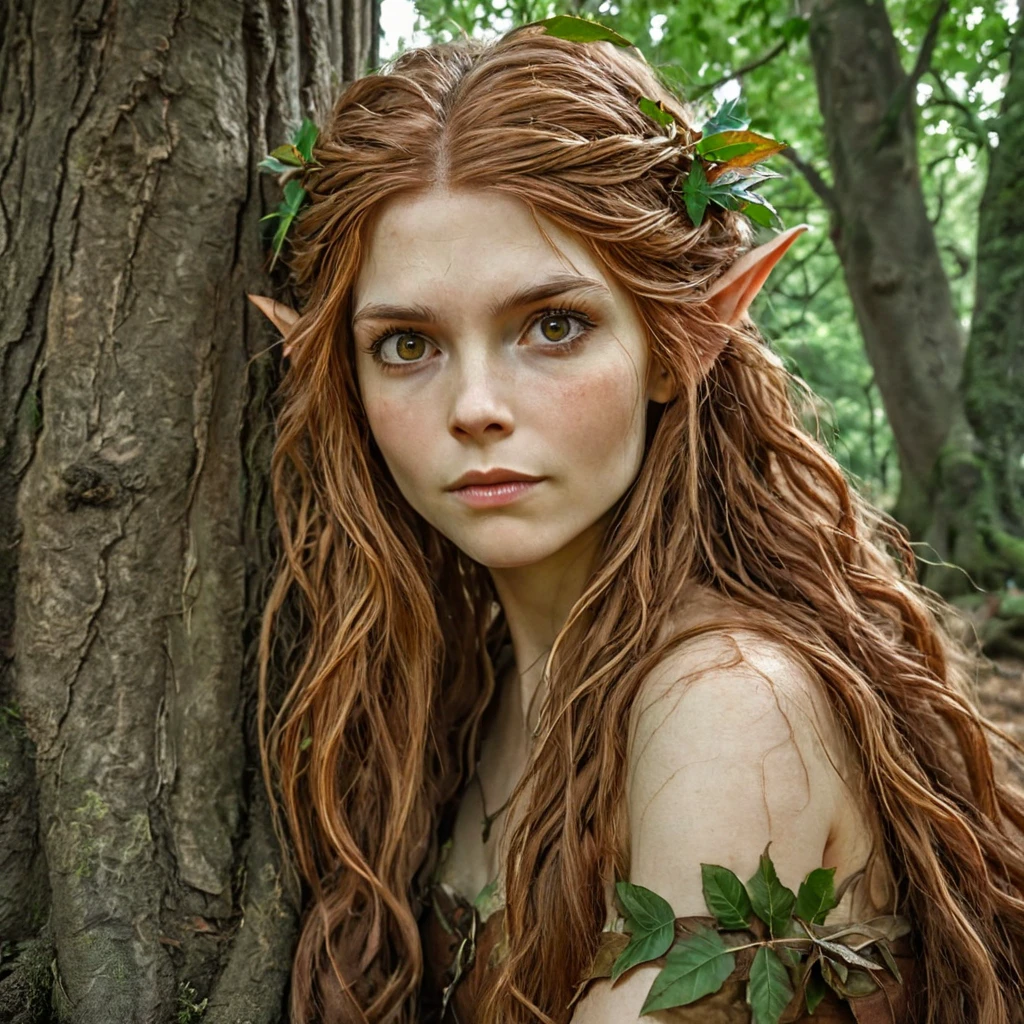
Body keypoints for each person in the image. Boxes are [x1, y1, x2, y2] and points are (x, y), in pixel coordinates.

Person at [247, 20, 1024, 1024]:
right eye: (406, 343)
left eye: (553, 326)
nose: (474, 404)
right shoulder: (458, 701)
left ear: (676, 343)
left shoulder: (729, 707)